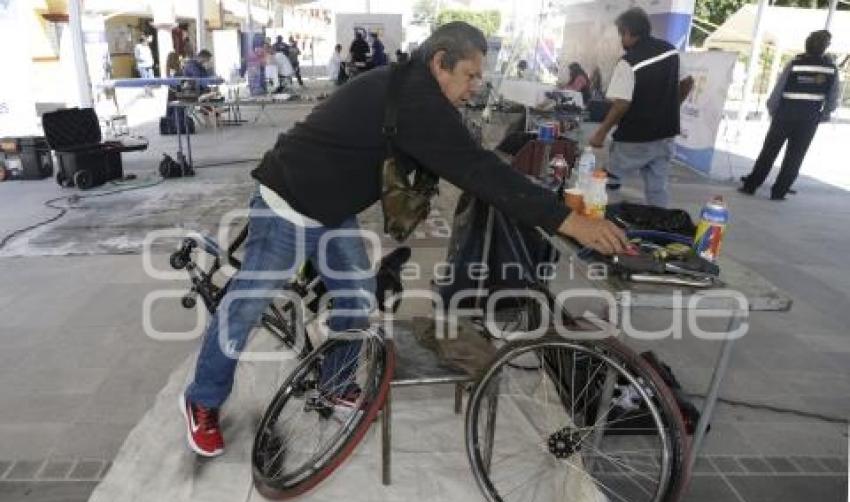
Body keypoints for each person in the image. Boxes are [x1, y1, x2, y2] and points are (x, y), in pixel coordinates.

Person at [179, 21, 627, 457]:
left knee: (357, 298)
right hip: (288, 204)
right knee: (245, 307)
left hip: (332, 211)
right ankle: (202, 400)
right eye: (470, 75)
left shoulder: (410, 86)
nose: (474, 87)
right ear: (440, 63)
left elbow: (468, 161)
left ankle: (335, 385)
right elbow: (479, 171)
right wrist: (569, 221)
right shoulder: (417, 99)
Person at [588, 7, 693, 208]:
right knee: (657, 189)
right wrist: (671, 107)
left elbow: (621, 105)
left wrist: (600, 133)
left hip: (635, 138)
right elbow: (687, 82)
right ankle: (660, 228)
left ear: (628, 32)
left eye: (621, 34)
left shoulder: (629, 62)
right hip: (666, 135)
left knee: (606, 181)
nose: (621, 40)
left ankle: (600, 220)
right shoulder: (670, 51)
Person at [739, 30, 840, 200]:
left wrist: (773, 109)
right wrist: (824, 114)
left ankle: (751, 186)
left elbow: (779, 89)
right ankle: (779, 192)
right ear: (825, 47)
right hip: (809, 117)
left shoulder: (795, 63)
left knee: (769, 151)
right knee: (795, 156)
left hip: (785, 114)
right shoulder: (831, 69)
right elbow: (833, 95)